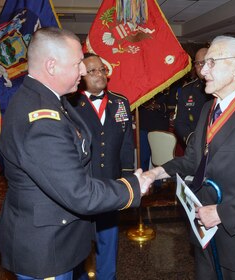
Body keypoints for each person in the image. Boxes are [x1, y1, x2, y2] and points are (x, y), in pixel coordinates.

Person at [0, 27, 154, 280]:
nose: (83, 71)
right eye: (78, 63)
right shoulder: (42, 120)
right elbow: (79, 193)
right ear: (51, 66)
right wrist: (133, 186)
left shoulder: (43, 99)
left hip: (54, 235)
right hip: (47, 251)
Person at [145, 35, 235, 279]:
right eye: (203, 64)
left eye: (212, 62)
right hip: (202, 227)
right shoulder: (209, 108)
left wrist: (221, 214)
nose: (203, 71)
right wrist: (156, 172)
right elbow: (193, 160)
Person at [68, 53, 134, 280]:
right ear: (81, 75)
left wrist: (126, 177)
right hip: (82, 184)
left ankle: (108, 276)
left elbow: (126, 143)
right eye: (92, 71)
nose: (100, 75)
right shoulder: (69, 104)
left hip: (110, 182)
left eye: (102, 70)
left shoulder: (120, 102)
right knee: (80, 237)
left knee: (109, 235)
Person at [174, 48, 211, 146]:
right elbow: (180, 122)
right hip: (194, 147)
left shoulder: (223, 89)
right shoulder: (187, 90)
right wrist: (192, 141)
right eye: (197, 63)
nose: (200, 67)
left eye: (203, 62)